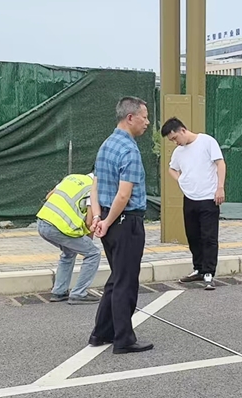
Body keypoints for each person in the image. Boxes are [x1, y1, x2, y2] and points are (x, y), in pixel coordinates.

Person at [88, 96, 153, 354]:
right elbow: (124, 195)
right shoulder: (129, 150)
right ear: (130, 117)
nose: (147, 122)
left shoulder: (106, 145)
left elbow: (94, 185)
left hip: (108, 219)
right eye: (144, 117)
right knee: (126, 282)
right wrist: (108, 220)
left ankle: (101, 332)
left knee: (116, 278)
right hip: (127, 222)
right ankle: (123, 338)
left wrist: (98, 218)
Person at [160, 117, 226, 290]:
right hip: (190, 198)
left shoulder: (207, 141)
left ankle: (209, 272)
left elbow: (220, 163)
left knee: (209, 237)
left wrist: (220, 187)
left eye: (175, 138)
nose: (175, 142)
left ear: (182, 130)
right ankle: (198, 268)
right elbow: (171, 168)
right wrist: (181, 180)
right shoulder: (178, 152)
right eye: (171, 140)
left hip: (209, 197)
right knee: (193, 236)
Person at [36, 172, 101, 305]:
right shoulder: (94, 188)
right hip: (59, 228)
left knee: (69, 252)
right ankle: (79, 294)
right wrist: (88, 240)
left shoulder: (72, 178)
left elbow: (49, 196)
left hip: (42, 222)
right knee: (93, 253)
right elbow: (89, 222)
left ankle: (59, 292)